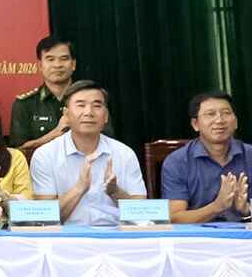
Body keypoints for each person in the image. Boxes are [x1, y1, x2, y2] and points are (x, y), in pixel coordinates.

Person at [31, 80, 146, 225]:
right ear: (66, 114)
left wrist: (115, 191)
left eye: (96, 106)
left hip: (114, 234)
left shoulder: (125, 154)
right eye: (80, 105)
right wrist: (79, 188)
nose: (88, 112)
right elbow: (44, 219)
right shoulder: (45, 155)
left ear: (106, 116)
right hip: (66, 236)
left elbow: (142, 214)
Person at [162, 91, 250, 223]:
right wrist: (216, 207)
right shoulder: (177, 162)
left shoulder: (249, 156)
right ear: (195, 124)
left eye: (226, 113)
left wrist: (247, 210)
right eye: (210, 114)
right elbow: (175, 217)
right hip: (197, 234)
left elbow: (248, 212)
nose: (219, 120)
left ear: (236, 122)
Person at [9, 37, 111, 149]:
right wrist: (55, 133)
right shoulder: (25, 104)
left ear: (73, 64)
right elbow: (18, 151)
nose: (57, 65)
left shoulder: (93, 97)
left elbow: (108, 142)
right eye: (50, 59)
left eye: (64, 58)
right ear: (40, 65)